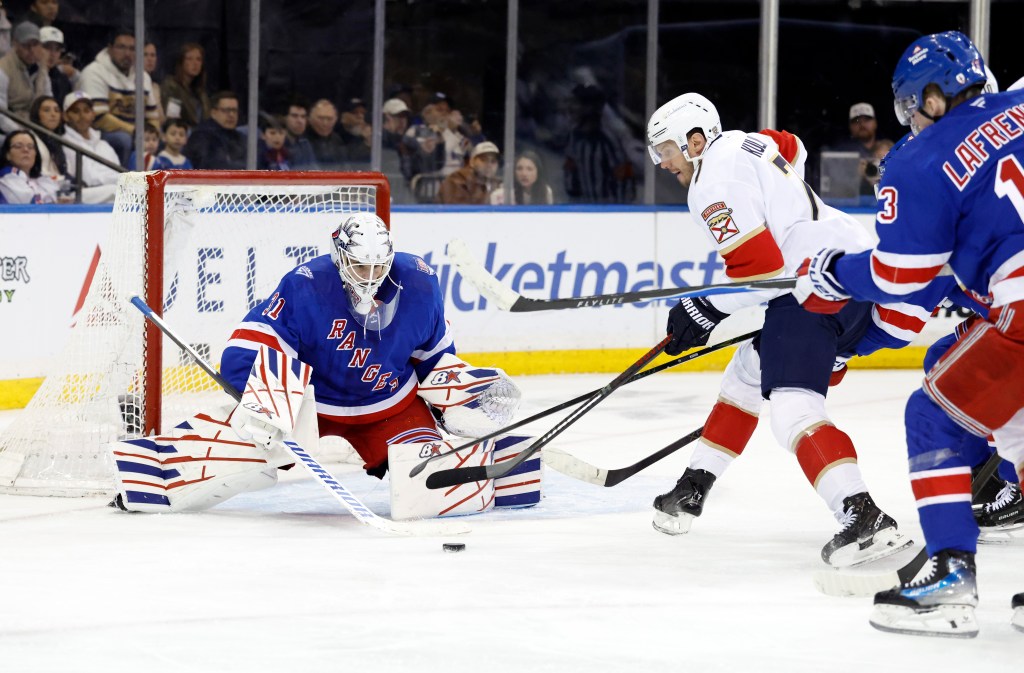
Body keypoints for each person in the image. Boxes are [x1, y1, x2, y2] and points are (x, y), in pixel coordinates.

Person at [794, 31, 1024, 637]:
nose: (910, 121)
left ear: (931, 96)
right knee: (1010, 416)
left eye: (908, 107)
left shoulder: (919, 160)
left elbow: (898, 279)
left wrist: (831, 271)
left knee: (934, 415)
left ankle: (951, 577)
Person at [644, 92, 910, 568]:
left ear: (695, 139)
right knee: (746, 373)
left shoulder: (710, 184)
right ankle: (692, 487)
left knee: (792, 406)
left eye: (665, 149)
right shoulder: (750, 143)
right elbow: (795, 148)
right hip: (858, 271)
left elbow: (763, 274)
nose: (663, 162)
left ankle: (860, 511)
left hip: (815, 287)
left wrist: (704, 307)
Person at [137, 213, 533, 517]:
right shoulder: (306, 283)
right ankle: (156, 472)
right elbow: (247, 347)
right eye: (362, 266)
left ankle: (497, 462)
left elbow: (436, 360)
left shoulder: (420, 283)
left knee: (432, 486)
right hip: (313, 404)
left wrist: (458, 396)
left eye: (380, 266)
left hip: (388, 405)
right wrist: (263, 401)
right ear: (341, 256)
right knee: (246, 446)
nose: (372, 277)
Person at [78, 27, 160, 166]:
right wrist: (134, 132)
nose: (127, 53)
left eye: (132, 48)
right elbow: (99, 118)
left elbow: (152, 116)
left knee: (165, 141)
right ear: (110, 49)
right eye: (121, 47)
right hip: (100, 133)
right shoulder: (94, 72)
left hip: (136, 133)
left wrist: (152, 135)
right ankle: (122, 182)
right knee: (123, 140)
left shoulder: (143, 75)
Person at [564, 84, 636, 203]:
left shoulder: (608, 140)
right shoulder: (574, 137)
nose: (571, 108)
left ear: (590, 108)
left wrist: (620, 211)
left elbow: (624, 179)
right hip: (584, 210)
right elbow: (571, 172)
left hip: (609, 212)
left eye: (577, 104)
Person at [60, 90, 119, 203]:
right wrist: (114, 179)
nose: (82, 116)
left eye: (86, 111)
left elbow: (118, 175)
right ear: (66, 116)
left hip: (107, 194)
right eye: (76, 111)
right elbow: (88, 178)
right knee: (117, 191)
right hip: (80, 194)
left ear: (93, 114)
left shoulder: (104, 145)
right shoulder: (65, 143)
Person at [0, 22, 51, 135]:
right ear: (15, 44)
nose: (31, 50)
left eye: (35, 44)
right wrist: (22, 133)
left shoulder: (42, 66)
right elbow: (0, 114)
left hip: (37, 127)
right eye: (26, 45)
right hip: (9, 130)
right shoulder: (3, 68)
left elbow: (48, 99)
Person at [182, 90, 245, 170]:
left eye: (234, 111)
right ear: (213, 113)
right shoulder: (201, 137)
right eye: (226, 110)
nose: (231, 115)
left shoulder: (240, 138)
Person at [0, 129, 64, 203]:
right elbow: (32, 205)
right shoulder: (7, 177)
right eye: (18, 146)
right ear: (7, 155)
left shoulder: (40, 179)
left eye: (30, 147)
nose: (26, 150)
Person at [160, 42, 209, 128]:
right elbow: (173, 119)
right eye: (190, 59)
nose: (195, 63)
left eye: (199, 59)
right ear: (181, 62)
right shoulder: (172, 86)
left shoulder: (201, 92)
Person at [438, 140, 501, 204]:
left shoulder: (496, 183)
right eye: (484, 160)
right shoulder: (457, 180)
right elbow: (459, 210)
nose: (489, 165)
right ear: (472, 162)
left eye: (493, 161)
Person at [490, 150, 554, 205]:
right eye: (519, 169)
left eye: (529, 169)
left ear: (538, 172)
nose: (524, 174)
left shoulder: (546, 191)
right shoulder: (499, 195)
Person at [28, 93, 65, 179]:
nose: (53, 114)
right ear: (36, 114)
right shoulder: (30, 139)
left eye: (57, 110)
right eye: (47, 110)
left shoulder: (58, 140)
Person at [305, 98, 349, 170]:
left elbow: (345, 168)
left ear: (336, 120)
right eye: (321, 118)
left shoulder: (337, 140)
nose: (325, 123)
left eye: (329, 119)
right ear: (309, 118)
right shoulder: (303, 141)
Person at [281, 96, 317, 169]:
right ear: (285, 118)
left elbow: (314, 173)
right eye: (294, 116)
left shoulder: (305, 144)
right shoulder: (276, 143)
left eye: (303, 117)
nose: (300, 121)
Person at [38, 26, 70, 103]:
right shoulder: (30, 75)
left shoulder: (63, 80)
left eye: (57, 49)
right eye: (48, 48)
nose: (52, 54)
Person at [143, 42, 164, 127]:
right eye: (145, 55)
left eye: (153, 55)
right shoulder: (132, 84)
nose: (150, 59)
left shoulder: (155, 87)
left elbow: (161, 118)